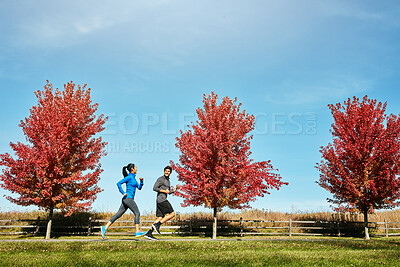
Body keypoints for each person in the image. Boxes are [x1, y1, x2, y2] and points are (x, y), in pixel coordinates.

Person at [101, 163, 146, 239]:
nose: (137, 169)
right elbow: (118, 183)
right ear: (132, 169)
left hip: (126, 200)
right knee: (137, 213)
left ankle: (104, 228)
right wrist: (123, 192)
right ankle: (137, 231)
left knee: (118, 215)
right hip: (128, 198)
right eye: (136, 167)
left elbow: (139, 187)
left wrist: (141, 181)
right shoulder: (129, 177)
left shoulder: (133, 179)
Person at [144, 166, 180, 240]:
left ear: (170, 173)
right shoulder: (161, 179)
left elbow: (168, 192)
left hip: (160, 200)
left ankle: (149, 233)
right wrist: (164, 191)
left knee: (160, 217)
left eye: (168, 171)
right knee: (172, 214)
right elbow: (154, 188)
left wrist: (176, 189)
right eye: (166, 171)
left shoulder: (168, 181)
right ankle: (158, 225)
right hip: (161, 200)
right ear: (164, 171)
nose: (167, 172)